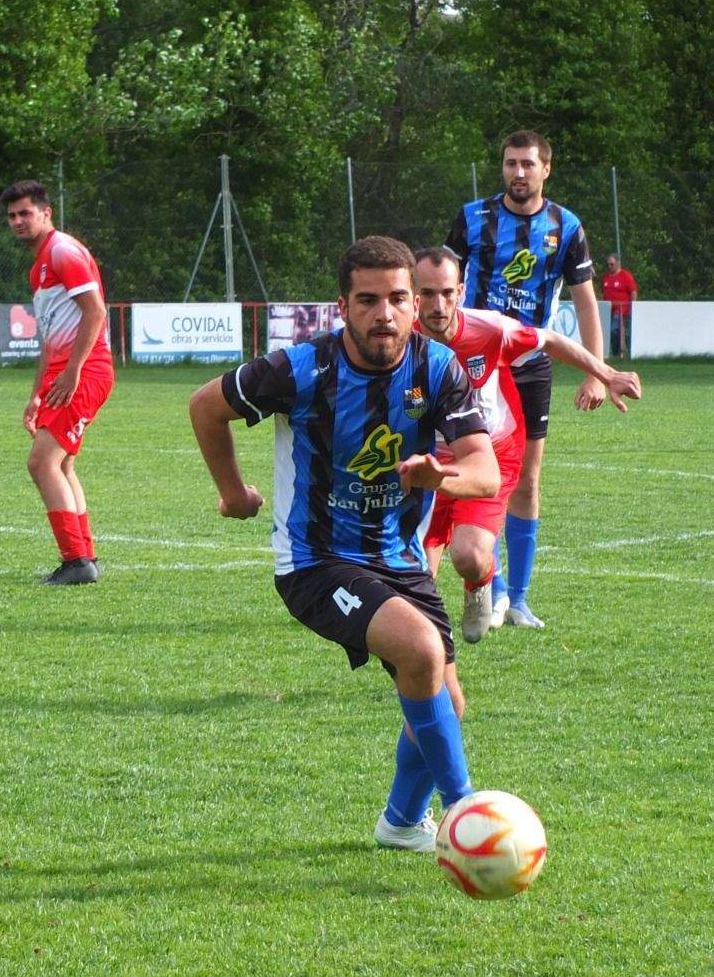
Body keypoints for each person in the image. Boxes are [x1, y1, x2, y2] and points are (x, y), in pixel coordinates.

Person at [189, 236, 498, 853]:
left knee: (445, 703)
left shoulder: (438, 369)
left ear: (415, 305)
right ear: (343, 306)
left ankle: (402, 822)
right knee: (419, 651)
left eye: (397, 299)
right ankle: (467, 811)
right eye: (368, 300)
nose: (384, 314)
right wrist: (233, 493)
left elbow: (486, 471)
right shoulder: (298, 369)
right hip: (314, 560)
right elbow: (205, 406)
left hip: (399, 559)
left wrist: (444, 477)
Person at [413, 247, 641, 640]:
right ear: (413, 296)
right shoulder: (399, 341)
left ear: (462, 292)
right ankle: (430, 663)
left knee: (468, 556)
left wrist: (606, 373)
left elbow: (549, 340)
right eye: (428, 293)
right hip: (424, 462)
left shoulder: (489, 330)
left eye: (447, 293)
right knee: (415, 580)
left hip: (486, 458)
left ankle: (479, 583)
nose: (438, 304)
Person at [445, 130, 605, 630]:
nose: (518, 172)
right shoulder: (473, 218)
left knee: (527, 481)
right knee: (477, 468)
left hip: (530, 363)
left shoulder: (566, 225)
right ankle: (487, 588)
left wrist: (595, 371)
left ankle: (518, 599)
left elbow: (584, 300)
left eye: (528, 164)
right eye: (510, 163)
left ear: (546, 169)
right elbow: (443, 287)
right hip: (474, 359)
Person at [3, 179, 115, 584]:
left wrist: (73, 372)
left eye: (25, 213)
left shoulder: (64, 251)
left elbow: (96, 312)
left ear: (46, 213)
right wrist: (36, 394)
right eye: (12, 215)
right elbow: (50, 339)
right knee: (62, 463)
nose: (17, 221)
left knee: (42, 461)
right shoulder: (40, 266)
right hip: (64, 373)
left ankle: (76, 563)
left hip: (85, 371)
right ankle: (85, 556)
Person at [601, 253, 638, 356]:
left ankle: (619, 352)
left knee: (614, 330)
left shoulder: (625, 275)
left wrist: (632, 307)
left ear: (618, 263)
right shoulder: (606, 277)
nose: (609, 266)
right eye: (608, 264)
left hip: (621, 309)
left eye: (611, 264)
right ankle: (616, 352)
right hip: (608, 310)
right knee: (608, 331)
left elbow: (633, 292)